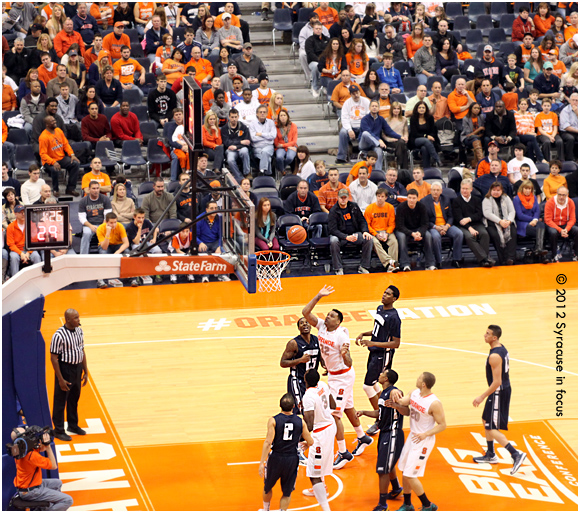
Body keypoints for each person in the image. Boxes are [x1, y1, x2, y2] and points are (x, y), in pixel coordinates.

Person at [301, 285, 374, 471]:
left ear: (339, 322)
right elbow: (305, 312)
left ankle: (343, 452)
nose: (328, 317)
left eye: (333, 316)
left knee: (334, 415)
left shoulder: (341, 336)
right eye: (328, 314)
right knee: (348, 407)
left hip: (342, 377)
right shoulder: (322, 326)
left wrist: (343, 355)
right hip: (333, 375)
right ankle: (362, 436)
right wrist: (318, 296)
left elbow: (349, 363)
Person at [472, 325, 528, 474]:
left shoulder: (495, 356)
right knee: (486, 420)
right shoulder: (500, 348)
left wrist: (481, 397)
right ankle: (490, 454)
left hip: (498, 392)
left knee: (491, 427)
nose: (485, 335)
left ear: (494, 338)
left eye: (488, 334)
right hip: (501, 390)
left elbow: (497, 382)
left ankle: (516, 454)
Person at [387, 372, 446, 512]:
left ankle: (428, 505)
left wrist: (425, 434)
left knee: (410, 474)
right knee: (404, 470)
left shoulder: (434, 403)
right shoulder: (414, 393)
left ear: (424, 384)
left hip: (424, 440)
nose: (417, 379)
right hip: (412, 437)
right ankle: (407, 505)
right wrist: (394, 391)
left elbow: (442, 425)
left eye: (419, 378)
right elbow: (403, 403)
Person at [357, 368, 406, 511]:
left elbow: (405, 407)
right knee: (386, 464)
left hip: (393, 433)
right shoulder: (383, 394)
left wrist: (398, 400)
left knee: (382, 470)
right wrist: (364, 412)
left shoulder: (394, 392)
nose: (379, 374)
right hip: (385, 433)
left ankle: (382, 505)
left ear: (386, 379)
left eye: (382, 374)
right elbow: (380, 413)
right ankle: (396, 488)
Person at [355, 285, 402, 432]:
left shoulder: (394, 318)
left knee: (368, 386)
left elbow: (396, 343)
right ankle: (386, 412)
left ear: (394, 299)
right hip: (374, 352)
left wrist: (373, 343)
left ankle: (380, 419)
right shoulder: (379, 309)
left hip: (383, 355)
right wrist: (365, 333)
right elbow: (377, 330)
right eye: (384, 292)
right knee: (374, 383)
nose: (384, 295)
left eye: (388, 294)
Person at [259, 393, 313, 513]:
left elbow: (268, 442)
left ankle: (265, 509)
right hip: (292, 459)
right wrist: (306, 445)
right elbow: (310, 441)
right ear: (293, 406)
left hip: (276, 457)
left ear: (280, 405)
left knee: (267, 487)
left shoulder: (273, 421)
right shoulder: (300, 422)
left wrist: (262, 462)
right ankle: (282, 511)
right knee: (287, 491)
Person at [49, 307, 88, 442]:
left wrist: (85, 371)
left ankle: (73, 425)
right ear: (68, 320)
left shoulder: (79, 331)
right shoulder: (58, 335)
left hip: (77, 368)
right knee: (60, 401)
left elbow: (81, 350)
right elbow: (54, 358)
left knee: (74, 398)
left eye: (78, 317)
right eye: (76, 318)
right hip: (65, 369)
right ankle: (58, 430)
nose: (79, 320)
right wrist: (60, 379)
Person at [11, 426, 73, 510]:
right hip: (31, 492)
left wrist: (42, 438)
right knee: (67, 500)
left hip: (28, 485)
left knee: (57, 483)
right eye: (25, 434)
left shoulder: (18, 451)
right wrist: (48, 446)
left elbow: (40, 449)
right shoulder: (31, 456)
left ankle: (47, 507)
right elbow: (53, 466)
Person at [280, 316, 321, 417]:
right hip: (297, 380)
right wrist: (300, 360)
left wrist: (325, 364)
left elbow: (319, 356)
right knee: (302, 408)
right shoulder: (293, 343)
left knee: (313, 407)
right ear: (298, 328)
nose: (305, 324)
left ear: (311, 326)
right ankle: (300, 430)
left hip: (311, 381)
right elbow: (283, 362)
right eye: (302, 323)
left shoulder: (316, 340)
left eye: (307, 322)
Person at [328, 188, 373, 275]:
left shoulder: (354, 206)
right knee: (333, 241)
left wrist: (365, 231)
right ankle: (338, 268)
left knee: (368, 239)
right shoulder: (333, 211)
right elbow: (332, 230)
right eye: (341, 197)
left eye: (345, 197)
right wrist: (345, 237)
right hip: (340, 235)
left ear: (348, 198)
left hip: (354, 234)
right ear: (338, 198)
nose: (343, 199)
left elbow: (362, 221)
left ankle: (363, 266)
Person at [452, 179, 494, 268]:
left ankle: (483, 260)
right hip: (462, 226)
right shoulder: (456, 201)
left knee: (484, 234)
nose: (464, 191)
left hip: (476, 223)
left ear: (471, 189)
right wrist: (469, 228)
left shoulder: (477, 199)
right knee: (469, 236)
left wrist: (469, 218)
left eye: (466, 189)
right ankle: (485, 259)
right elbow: (458, 218)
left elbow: (479, 215)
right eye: (462, 188)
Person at [421, 182, 464, 269]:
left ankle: (456, 259)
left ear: (441, 191)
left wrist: (447, 226)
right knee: (436, 237)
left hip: (445, 225)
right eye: (433, 190)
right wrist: (436, 227)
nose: (435, 192)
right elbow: (425, 220)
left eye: (437, 190)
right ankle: (439, 261)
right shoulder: (424, 201)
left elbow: (451, 216)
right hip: (433, 226)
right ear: (430, 191)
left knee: (459, 233)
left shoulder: (446, 199)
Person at [38, 115, 80, 197]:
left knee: (75, 164)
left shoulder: (58, 130)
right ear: (47, 125)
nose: (55, 122)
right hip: (49, 160)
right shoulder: (43, 137)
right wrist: (53, 162)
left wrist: (72, 154)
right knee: (55, 169)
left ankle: (70, 189)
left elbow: (65, 144)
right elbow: (43, 154)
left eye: (54, 120)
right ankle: (55, 189)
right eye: (52, 121)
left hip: (61, 157)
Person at [358, 100, 401, 172]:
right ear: (369, 108)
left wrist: (400, 137)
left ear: (378, 108)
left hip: (375, 146)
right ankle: (379, 145)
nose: (374, 108)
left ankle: (379, 173)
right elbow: (369, 132)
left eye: (376, 106)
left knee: (379, 151)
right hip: (364, 144)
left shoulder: (381, 119)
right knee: (365, 133)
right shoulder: (364, 119)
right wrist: (379, 140)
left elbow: (389, 131)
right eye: (373, 106)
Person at [513, 180, 549, 263]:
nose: (527, 191)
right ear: (522, 189)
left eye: (529, 189)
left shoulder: (534, 197)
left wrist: (535, 220)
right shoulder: (517, 199)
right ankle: (540, 252)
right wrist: (532, 220)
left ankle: (538, 249)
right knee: (541, 231)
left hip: (534, 221)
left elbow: (537, 211)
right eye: (526, 188)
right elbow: (519, 215)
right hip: (522, 223)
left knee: (541, 225)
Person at [482, 182, 517, 266]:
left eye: (498, 190)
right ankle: (503, 259)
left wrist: (509, 221)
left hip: (507, 221)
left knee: (513, 233)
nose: (496, 192)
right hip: (492, 223)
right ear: (490, 190)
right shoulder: (487, 199)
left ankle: (510, 258)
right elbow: (487, 213)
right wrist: (500, 221)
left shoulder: (506, 198)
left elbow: (512, 211)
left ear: (502, 191)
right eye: (494, 190)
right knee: (496, 235)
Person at [336, 85, 371, 164]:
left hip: (363, 126)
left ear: (360, 92)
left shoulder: (366, 101)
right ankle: (342, 157)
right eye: (353, 94)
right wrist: (349, 130)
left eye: (357, 93)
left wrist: (363, 128)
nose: (356, 95)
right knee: (342, 132)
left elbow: (369, 117)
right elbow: (344, 118)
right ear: (350, 94)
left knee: (368, 132)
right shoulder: (347, 103)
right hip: (351, 126)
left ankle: (366, 155)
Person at [6, 205, 42, 278]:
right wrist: (21, 253)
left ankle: (38, 278)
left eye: (24, 212)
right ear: (15, 214)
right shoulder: (10, 226)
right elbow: (11, 244)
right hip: (16, 250)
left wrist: (28, 253)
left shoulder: (32, 224)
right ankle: (14, 279)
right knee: (13, 257)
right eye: (21, 212)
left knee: (36, 256)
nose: (23, 214)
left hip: (29, 249)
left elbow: (34, 241)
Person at [544, 186, 578, 261]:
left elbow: (572, 219)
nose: (561, 197)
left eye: (564, 195)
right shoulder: (550, 202)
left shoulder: (570, 202)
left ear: (567, 195)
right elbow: (548, 220)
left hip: (565, 225)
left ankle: (576, 254)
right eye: (560, 194)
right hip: (553, 224)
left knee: (577, 230)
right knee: (553, 232)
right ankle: (554, 255)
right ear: (556, 194)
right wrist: (560, 230)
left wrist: (566, 229)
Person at [409, 101, 441, 168]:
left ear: (426, 109)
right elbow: (414, 133)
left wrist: (430, 136)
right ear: (416, 109)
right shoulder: (413, 118)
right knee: (426, 141)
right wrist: (426, 136)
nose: (421, 109)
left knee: (424, 148)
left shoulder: (430, 118)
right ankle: (436, 158)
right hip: (415, 140)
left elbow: (433, 131)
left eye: (423, 107)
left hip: (429, 141)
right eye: (419, 107)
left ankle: (426, 169)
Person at [222, 109, 251, 181]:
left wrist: (236, 146)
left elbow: (247, 142)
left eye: (235, 117)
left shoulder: (243, 127)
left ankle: (246, 173)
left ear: (238, 117)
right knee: (230, 159)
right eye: (232, 117)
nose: (234, 119)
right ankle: (239, 177)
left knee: (245, 151)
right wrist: (241, 142)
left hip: (241, 149)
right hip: (230, 150)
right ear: (229, 117)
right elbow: (227, 143)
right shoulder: (224, 128)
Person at [250, 105, 276, 176]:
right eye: (260, 112)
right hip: (257, 148)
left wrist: (260, 134)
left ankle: (261, 171)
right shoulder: (252, 124)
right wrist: (267, 136)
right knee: (268, 159)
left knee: (265, 152)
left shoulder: (271, 123)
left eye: (264, 112)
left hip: (269, 147)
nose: (262, 113)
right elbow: (253, 138)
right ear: (257, 114)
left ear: (267, 114)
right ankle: (268, 174)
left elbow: (273, 136)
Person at [560, 92, 578, 161]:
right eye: (573, 100)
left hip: (577, 131)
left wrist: (577, 113)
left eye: (576, 100)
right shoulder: (565, 110)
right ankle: (570, 159)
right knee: (570, 138)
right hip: (566, 131)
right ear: (570, 101)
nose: (574, 102)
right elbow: (566, 127)